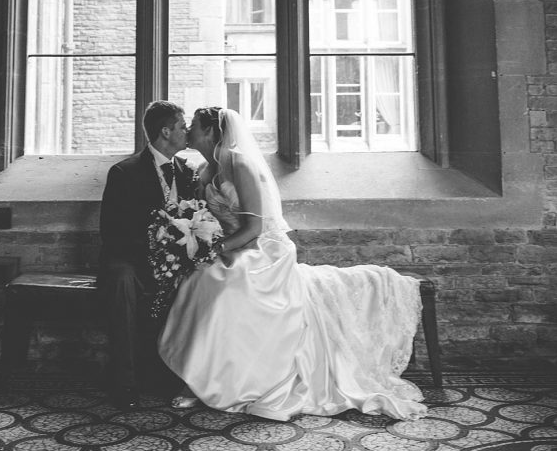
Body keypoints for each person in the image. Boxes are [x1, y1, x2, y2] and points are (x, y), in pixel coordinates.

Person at [159, 106, 426, 421]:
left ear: (210, 132)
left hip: (264, 249)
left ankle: (229, 381)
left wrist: (214, 248)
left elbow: (255, 228)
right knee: (199, 280)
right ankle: (197, 377)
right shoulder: (205, 169)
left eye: (193, 125)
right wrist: (200, 239)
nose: (188, 129)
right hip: (230, 245)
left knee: (224, 285)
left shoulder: (240, 165)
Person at [97, 100, 199, 408]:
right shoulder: (124, 172)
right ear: (166, 132)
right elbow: (112, 232)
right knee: (123, 281)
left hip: (176, 258)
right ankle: (124, 383)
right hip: (130, 258)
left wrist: (178, 256)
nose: (188, 132)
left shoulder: (187, 172)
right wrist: (155, 256)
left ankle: (176, 375)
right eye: (183, 127)